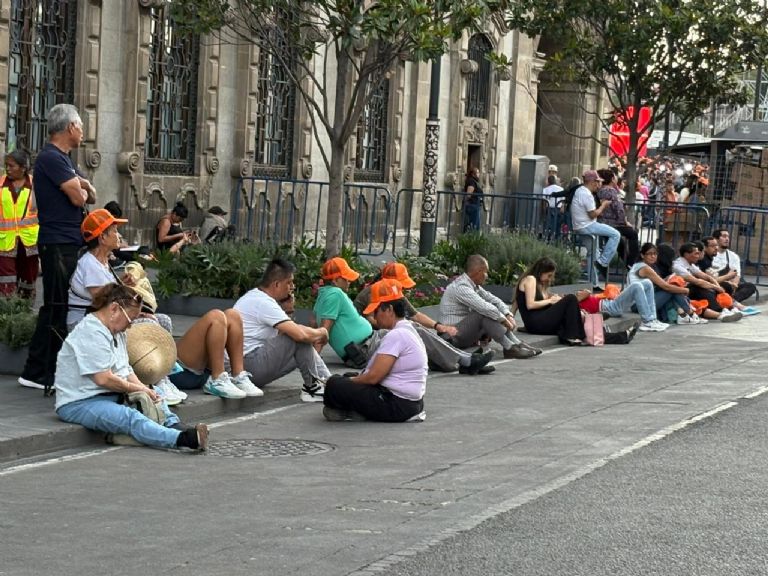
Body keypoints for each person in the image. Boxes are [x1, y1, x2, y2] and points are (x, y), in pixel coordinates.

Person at [54, 283, 208, 451]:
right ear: (114, 309)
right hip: (78, 402)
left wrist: (145, 389)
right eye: (130, 320)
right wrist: (138, 389)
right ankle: (182, 439)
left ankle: (173, 424)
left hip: (107, 395)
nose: (130, 326)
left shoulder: (117, 332)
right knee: (130, 417)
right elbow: (103, 378)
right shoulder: (90, 331)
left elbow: (125, 369)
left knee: (156, 392)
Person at [19, 104, 97, 391]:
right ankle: (40, 371)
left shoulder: (66, 161)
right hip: (57, 241)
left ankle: (36, 369)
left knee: (58, 303)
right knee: (56, 304)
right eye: (81, 125)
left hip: (69, 240)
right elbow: (79, 199)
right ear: (71, 128)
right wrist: (81, 186)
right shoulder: (51, 158)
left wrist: (82, 184)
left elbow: (91, 195)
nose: (83, 132)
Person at [352, 261, 494, 374]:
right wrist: (401, 325)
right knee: (412, 329)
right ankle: (465, 361)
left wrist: (438, 326)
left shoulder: (392, 292)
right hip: (370, 341)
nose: (405, 288)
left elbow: (416, 315)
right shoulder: (376, 291)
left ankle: (463, 359)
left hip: (381, 336)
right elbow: (372, 320)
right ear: (391, 281)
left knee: (413, 328)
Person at [322, 279, 428, 423]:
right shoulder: (408, 329)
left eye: (376, 311)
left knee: (334, 385)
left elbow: (373, 377)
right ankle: (354, 410)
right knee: (347, 377)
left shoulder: (397, 335)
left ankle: (351, 412)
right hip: (410, 402)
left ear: (389, 309)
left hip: (397, 404)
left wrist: (350, 381)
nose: (374, 317)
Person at [234, 258, 331, 402]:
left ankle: (329, 383)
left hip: (251, 367)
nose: (292, 287)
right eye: (289, 282)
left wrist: (288, 311)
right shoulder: (263, 302)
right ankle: (313, 387)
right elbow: (298, 335)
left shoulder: (259, 297)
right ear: (277, 284)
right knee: (297, 336)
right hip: (247, 365)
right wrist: (322, 332)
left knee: (300, 343)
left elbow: (281, 339)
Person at [438, 254, 540, 359]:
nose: (487, 276)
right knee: (483, 313)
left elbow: (495, 301)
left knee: (490, 311)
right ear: (478, 272)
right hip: (451, 337)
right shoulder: (461, 287)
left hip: (462, 332)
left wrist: (507, 314)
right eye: (486, 272)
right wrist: (504, 320)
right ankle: (509, 348)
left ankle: (516, 344)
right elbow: (484, 307)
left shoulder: (473, 286)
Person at [169, 307, 262, 399]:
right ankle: (217, 379)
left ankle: (238, 377)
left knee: (233, 315)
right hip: (178, 372)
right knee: (216, 316)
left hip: (206, 373)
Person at [67, 209, 129, 330]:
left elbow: (107, 293)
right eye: (115, 231)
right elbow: (102, 300)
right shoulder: (90, 264)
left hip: (97, 319)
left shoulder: (100, 261)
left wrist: (122, 284)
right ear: (102, 238)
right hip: (84, 323)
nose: (119, 235)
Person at [516, 257, 587, 345]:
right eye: (549, 275)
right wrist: (550, 301)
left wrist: (556, 300)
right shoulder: (530, 279)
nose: (549, 279)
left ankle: (598, 335)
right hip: (535, 323)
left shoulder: (540, 284)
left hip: (537, 321)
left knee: (568, 312)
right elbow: (530, 305)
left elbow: (517, 301)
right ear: (541, 271)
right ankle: (572, 336)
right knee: (571, 298)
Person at [629, 243, 702, 325]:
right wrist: (684, 290)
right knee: (671, 290)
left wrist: (667, 279)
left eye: (655, 254)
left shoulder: (651, 266)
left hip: (646, 299)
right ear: (642, 255)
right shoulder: (644, 268)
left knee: (672, 288)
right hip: (638, 305)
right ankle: (689, 313)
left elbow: (656, 285)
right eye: (649, 254)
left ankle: (684, 315)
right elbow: (665, 287)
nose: (653, 256)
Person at [569, 169, 621, 284]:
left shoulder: (580, 190)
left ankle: (593, 283)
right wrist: (603, 205)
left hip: (580, 225)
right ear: (592, 182)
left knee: (592, 254)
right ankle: (603, 262)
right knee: (615, 234)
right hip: (587, 225)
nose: (599, 185)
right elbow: (593, 215)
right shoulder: (586, 194)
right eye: (598, 182)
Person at [671, 242, 742, 322]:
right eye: (696, 254)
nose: (698, 256)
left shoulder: (690, 264)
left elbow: (707, 277)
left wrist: (717, 286)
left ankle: (727, 307)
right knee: (698, 287)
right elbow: (697, 281)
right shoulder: (678, 266)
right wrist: (715, 287)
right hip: (682, 292)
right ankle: (720, 311)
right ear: (687, 254)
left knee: (724, 285)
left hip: (688, 290)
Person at [0, 149, 38, 297]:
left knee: (28, 280)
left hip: (29, 242)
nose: (7, 169)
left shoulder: (36, 185)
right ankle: (7, 314)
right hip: (5, 242)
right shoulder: (1, 184)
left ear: (23, 168)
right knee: (6, 282)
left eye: (11, 166)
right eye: (6, 165)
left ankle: (25, 311)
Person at [596, 169, 639, 267]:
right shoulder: (611, 191)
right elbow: (618, 209)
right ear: (612, 179)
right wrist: (624, 222)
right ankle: (632, 262)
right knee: (633, 234)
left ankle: (628, 263)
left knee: (619, 243)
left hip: (603, 222)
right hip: (613, 222)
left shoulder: (600, 190)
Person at [711, 229, 758, 305]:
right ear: (716, 239)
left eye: (728, 237)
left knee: (750, 286)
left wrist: (733, 286)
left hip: (729, 287)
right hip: (714, 285)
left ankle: (730, 301)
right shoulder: (710, 254)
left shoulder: (733, 256)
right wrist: (727, 279)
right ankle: (727, 302)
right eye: (724, 236)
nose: (727, 239)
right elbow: (708, 277)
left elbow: (736, 277)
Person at [542, 175, 564, 239]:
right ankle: (557, 238)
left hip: (549, 208)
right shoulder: (561, 189)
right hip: (558, 208)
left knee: (548, 224)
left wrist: (544, 209)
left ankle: (548, 238)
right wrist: (562, 208)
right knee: (557, 225)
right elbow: (563, 201)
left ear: (548, 181)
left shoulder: (545, 189)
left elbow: (544, 201)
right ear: (555, 181)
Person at [462, 167, 483, 232]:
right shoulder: (471, 181)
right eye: (477, 172)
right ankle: (472, 239)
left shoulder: (474, 181)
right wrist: (467, 203)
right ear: (473, 174)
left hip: (475, 205)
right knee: (475, 225)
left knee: (476, 225)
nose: (479, 174)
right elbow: (469, 194)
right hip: (473, 205)